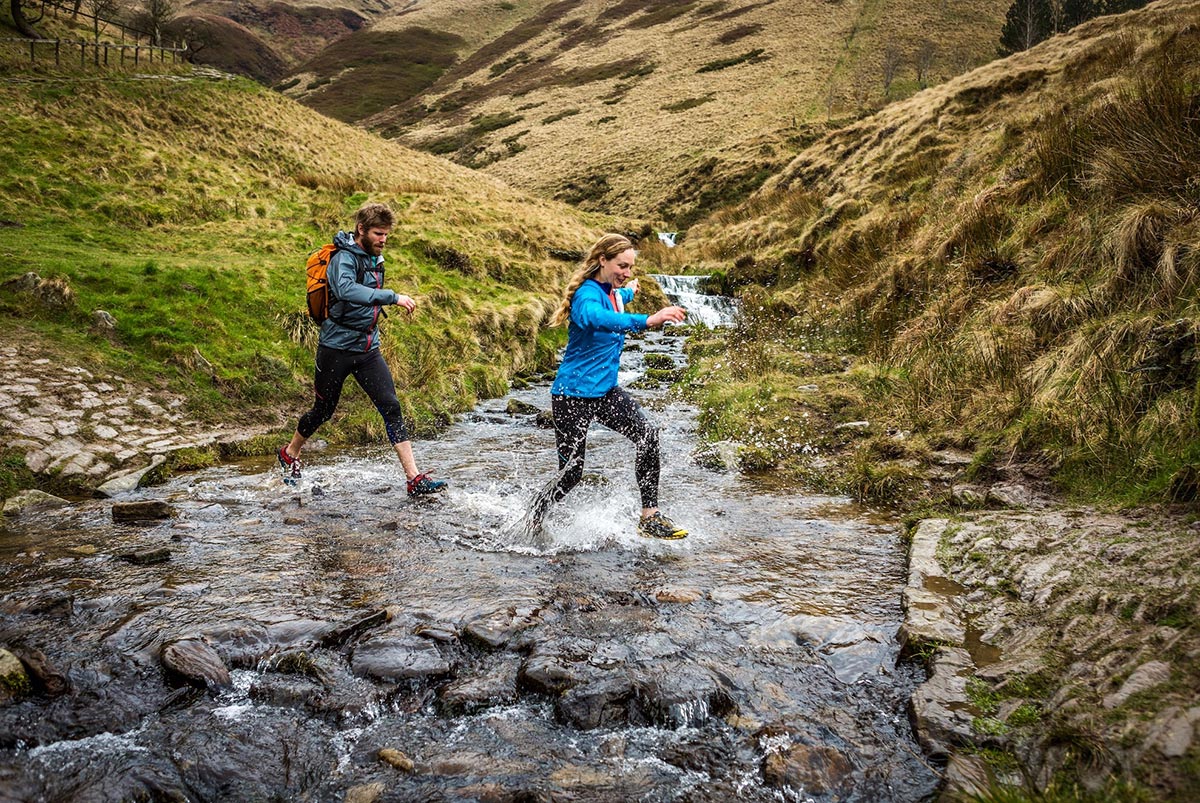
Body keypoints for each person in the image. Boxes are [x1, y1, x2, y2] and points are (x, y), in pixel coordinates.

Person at [277, 202, 447, 496]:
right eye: (379, 233)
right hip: (336, 349)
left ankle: (414, 478)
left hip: (368, 348)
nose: (383, 240)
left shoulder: (375, 258)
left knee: (391, 407)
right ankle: (290, 453)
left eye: (386, 235)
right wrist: (391, 297)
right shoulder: (343, 259)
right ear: (362, 230)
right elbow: (345, 290)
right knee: (324, 410)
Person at [534, 233, 688, 539]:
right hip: (571, 397)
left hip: (604, 392)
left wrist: (630, 290)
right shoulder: (586, 296)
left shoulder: (616, 291)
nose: (627, 272)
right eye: (622, 266)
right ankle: (534, 518)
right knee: (571, 475)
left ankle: (650, 516)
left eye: (631, 267)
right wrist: (647, 320)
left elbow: (621, 296)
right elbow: (597, 318)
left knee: (647, 435)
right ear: (602, 260)